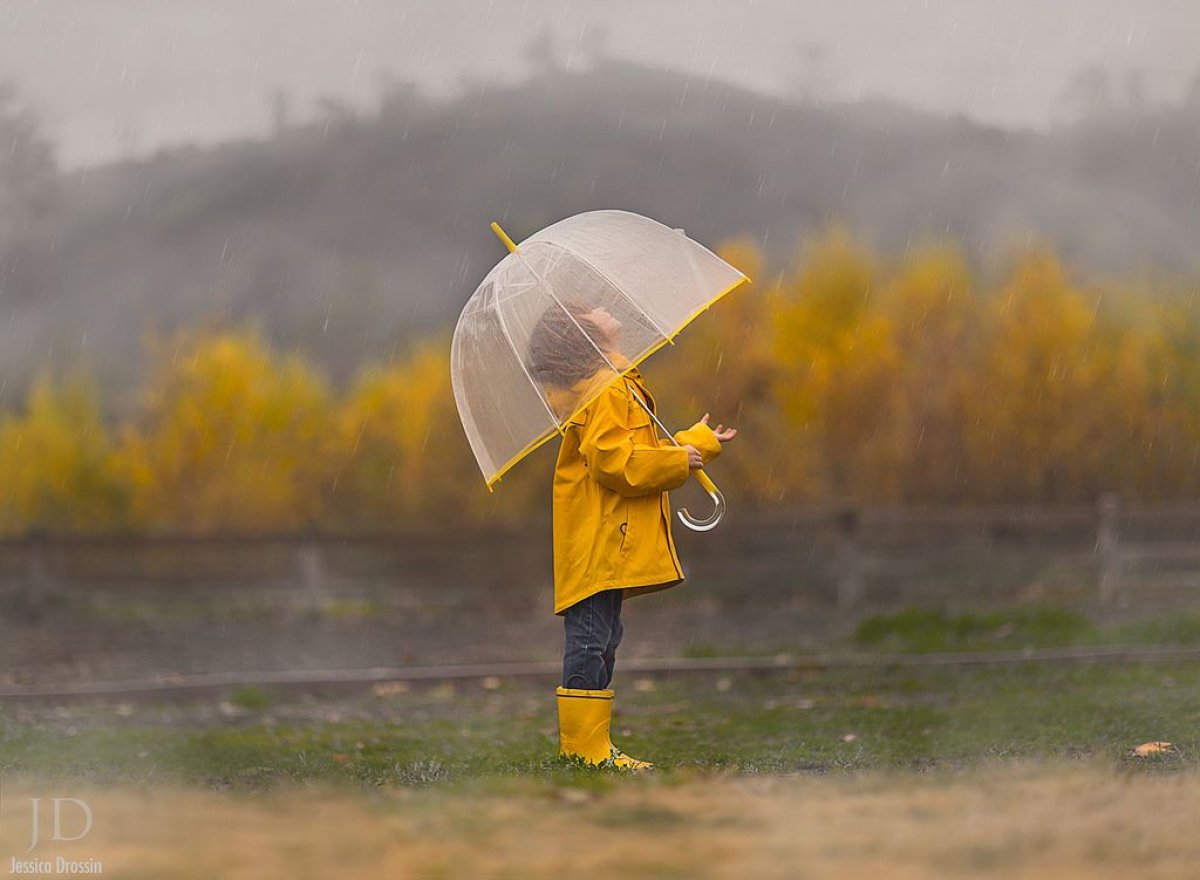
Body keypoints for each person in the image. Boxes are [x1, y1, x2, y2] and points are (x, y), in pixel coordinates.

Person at [528, 301, 737, 769]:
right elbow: (614, 463)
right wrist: (677, 462)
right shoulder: (605, 391)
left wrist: (695, 446)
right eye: (592, 309)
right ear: (583, 334)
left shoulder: (617, 385)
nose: (604, 308)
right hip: (599, 540)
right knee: (589, 641)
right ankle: (582, 753)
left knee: (604, 639)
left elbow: (633, 450)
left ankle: (594, 748)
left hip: (607, 539)